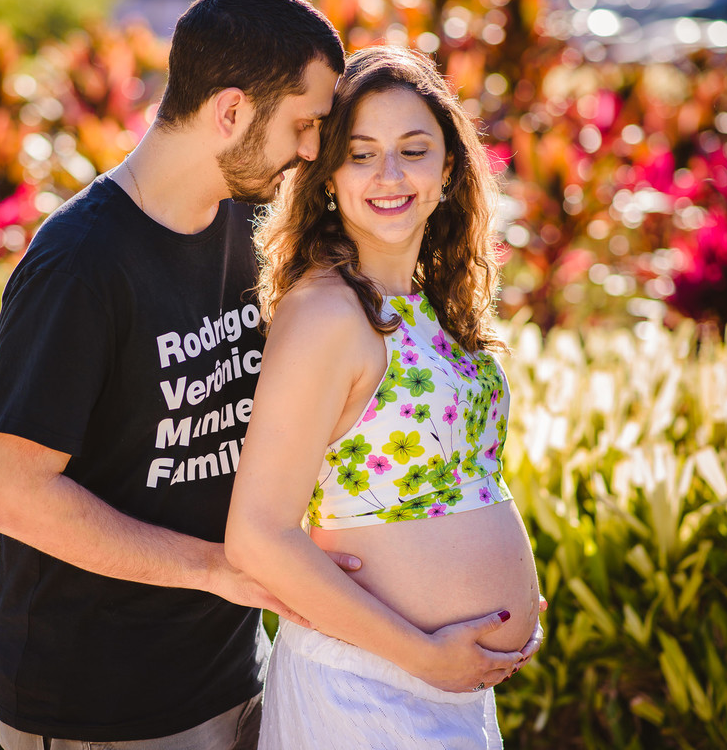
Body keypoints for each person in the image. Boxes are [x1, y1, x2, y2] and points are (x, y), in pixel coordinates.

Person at [0, 0, 346, 750]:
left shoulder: (253, 222)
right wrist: (218, 570)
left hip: (237, 673)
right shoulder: (79, 265)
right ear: (232, 111)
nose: (313, 150)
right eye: (304, 124)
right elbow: (12, 494)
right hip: (100, 709)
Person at [224, 44, 543, 749]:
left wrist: (503, 605)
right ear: (330, 175)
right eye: (362, 154)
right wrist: (422, 652)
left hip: (441, 689)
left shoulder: (429, 304)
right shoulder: (325, 314)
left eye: (413, 149)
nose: (389, 175)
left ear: (449, 168)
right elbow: (256, 536)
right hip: (366, 687)